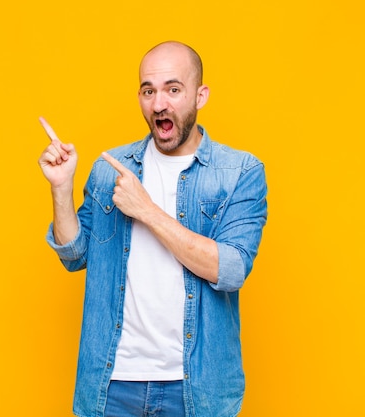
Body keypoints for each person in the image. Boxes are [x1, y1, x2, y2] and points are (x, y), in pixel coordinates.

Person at [37, 41, 268, 417]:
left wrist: (147, 210)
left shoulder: (240, 172)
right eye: (149, 90)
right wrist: (61, 188)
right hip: (112, 384)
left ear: (200, 95)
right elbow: (74, 255)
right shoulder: (110, 168)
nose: (159, 103)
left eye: (173, 89)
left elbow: (230, 269)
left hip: (196, 387)